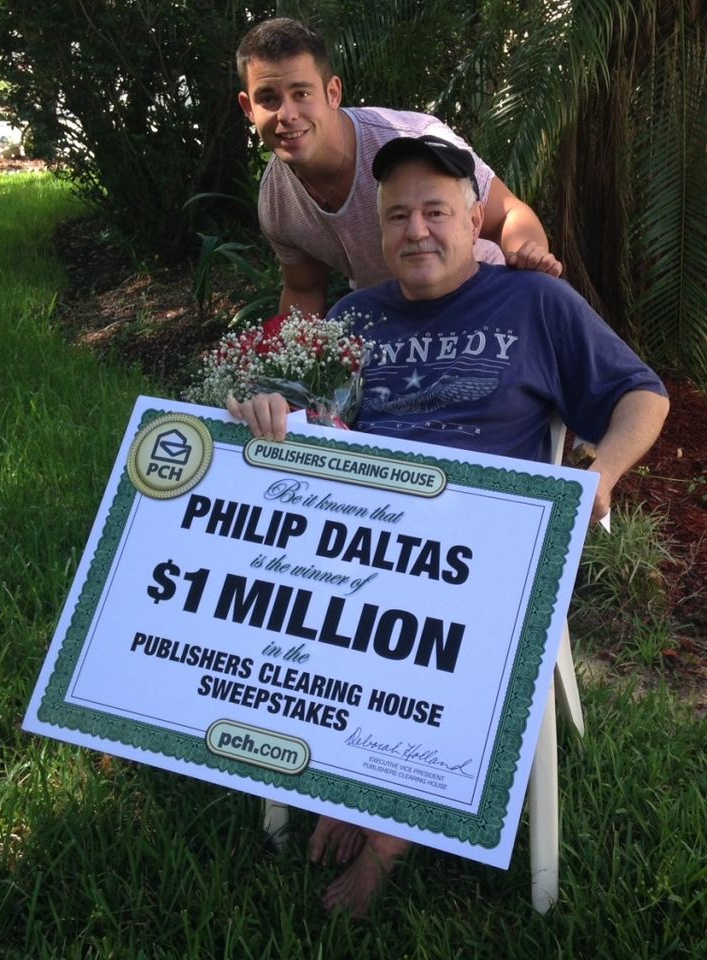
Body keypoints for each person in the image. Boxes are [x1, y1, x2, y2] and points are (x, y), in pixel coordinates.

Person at [227, 136, 669, 915]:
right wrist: (268, 408)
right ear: (380, 229)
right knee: (294, 602)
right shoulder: (356, 316)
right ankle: (352, 773)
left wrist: (603, 473)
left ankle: (387, 829)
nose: (417, 230)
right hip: (366, 538)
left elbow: (642, 395)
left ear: (475, 224)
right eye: (398, 215)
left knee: (426, 622)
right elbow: (302, 416)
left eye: (437, 211)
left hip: (491, 550)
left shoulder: (535, 304)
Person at [236, 17, 563, 318]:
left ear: (332, 93)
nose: (287, 114)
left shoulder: (416, 143)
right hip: (393, 333)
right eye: (268, 98)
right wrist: (288, 373)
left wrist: (527, 265)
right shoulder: (276, 199)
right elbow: (304, 288)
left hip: (483, 307)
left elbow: (507, 214)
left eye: (301, 93)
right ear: (248, 108)